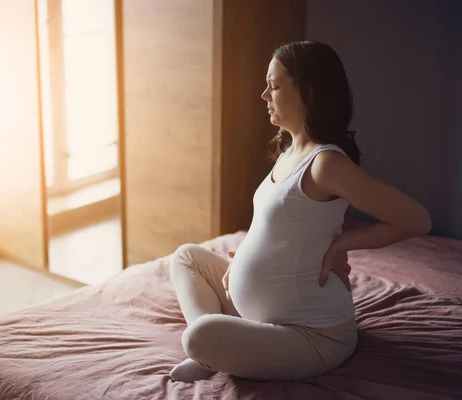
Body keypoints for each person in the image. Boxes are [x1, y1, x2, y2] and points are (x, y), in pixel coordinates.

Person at [169, 41, 431, 383]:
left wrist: (342, 244)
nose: (264, 95)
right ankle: (216, 351)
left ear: (307, 93)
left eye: (274, 86)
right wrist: (243, 260)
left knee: (198, 337)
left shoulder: (327, 164)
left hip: (312, 336)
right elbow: (280, 226)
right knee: (186, 257)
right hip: (262, 315)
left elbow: (417, 220)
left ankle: (211, 350)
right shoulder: (290, 148)